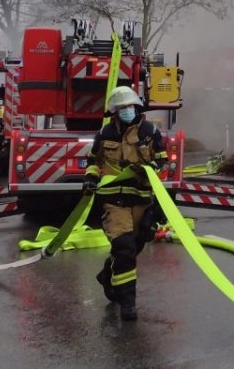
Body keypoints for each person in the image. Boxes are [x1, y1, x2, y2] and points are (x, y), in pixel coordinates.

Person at [83, 86, 168, 321]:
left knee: (135, 248)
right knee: (125, 248)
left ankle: (107, 274)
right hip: (114, 202)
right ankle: (127, 302)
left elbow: (164, 161)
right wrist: (90, 177)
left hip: (142, 200)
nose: (127, 111)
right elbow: (92, 159)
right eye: (122, 108)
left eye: (130, 106)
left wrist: (154, 171)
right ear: (114, 111)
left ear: (137, 107)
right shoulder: (105, 133)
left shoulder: (151, 132)